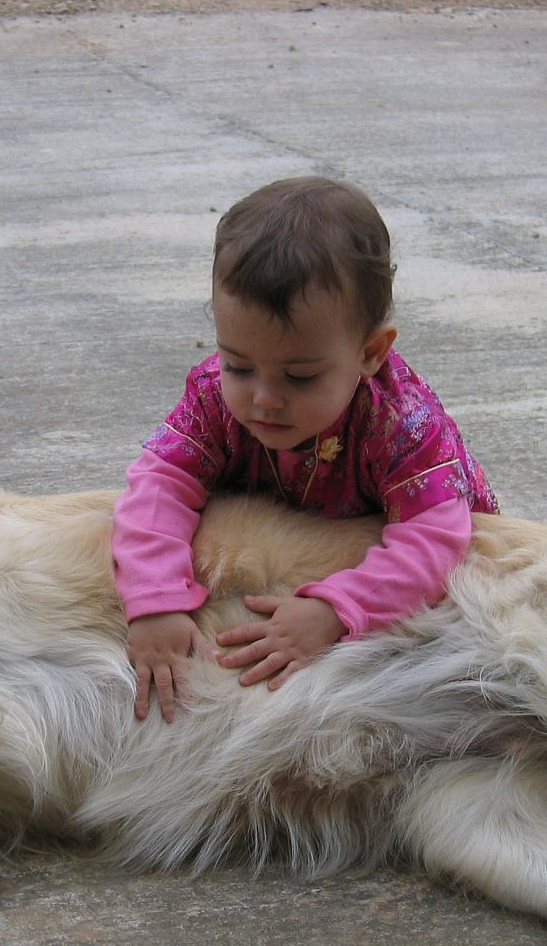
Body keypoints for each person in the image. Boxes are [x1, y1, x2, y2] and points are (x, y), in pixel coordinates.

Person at [113, 176, 498, 721]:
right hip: (298, 530)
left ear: (370, 352)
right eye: (238, 365)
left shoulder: (401, 422)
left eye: (299, 376)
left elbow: (434, 539)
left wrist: (338, 608)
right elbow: (157, 485)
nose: (264, 400)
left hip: (382, 550)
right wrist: (153, 600)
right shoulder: (214, 399)